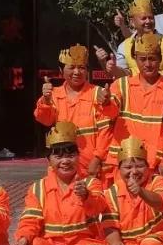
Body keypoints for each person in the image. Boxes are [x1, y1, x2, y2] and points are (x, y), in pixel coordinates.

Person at [11, 122, 109, 245]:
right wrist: (22, 239)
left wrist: (86, 196)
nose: (65, 161)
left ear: (78, 157)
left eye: (70, 156)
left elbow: (99, 206)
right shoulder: (38, 188)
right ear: (49, 160)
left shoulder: (91, 183)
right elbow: (30, 221)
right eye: (58, 156)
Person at [105, 33, 163, 177]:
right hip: (123, 162)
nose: (147, 64)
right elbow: (109, 114)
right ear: (135, 59)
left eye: (152, 59)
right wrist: (104, 103)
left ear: (160, 59)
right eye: (143, 59)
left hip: (155, 164)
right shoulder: (121, 85)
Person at [34, 44, 117, 178]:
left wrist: (97, 159)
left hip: (93, 167)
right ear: (61, 71)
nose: (77, 72)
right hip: (64, 165)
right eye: (71, 67)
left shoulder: (98, 94)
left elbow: (106, 132)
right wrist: (45, 100)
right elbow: (45, 120)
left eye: (81, 68)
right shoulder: (53, 94)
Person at [106, 0, 163, 76]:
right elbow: (124, 75)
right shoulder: (124, 47)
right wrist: (115, 69)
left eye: (151, 18)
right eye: (144, 18)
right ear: (132, 22)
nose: (148, 21)